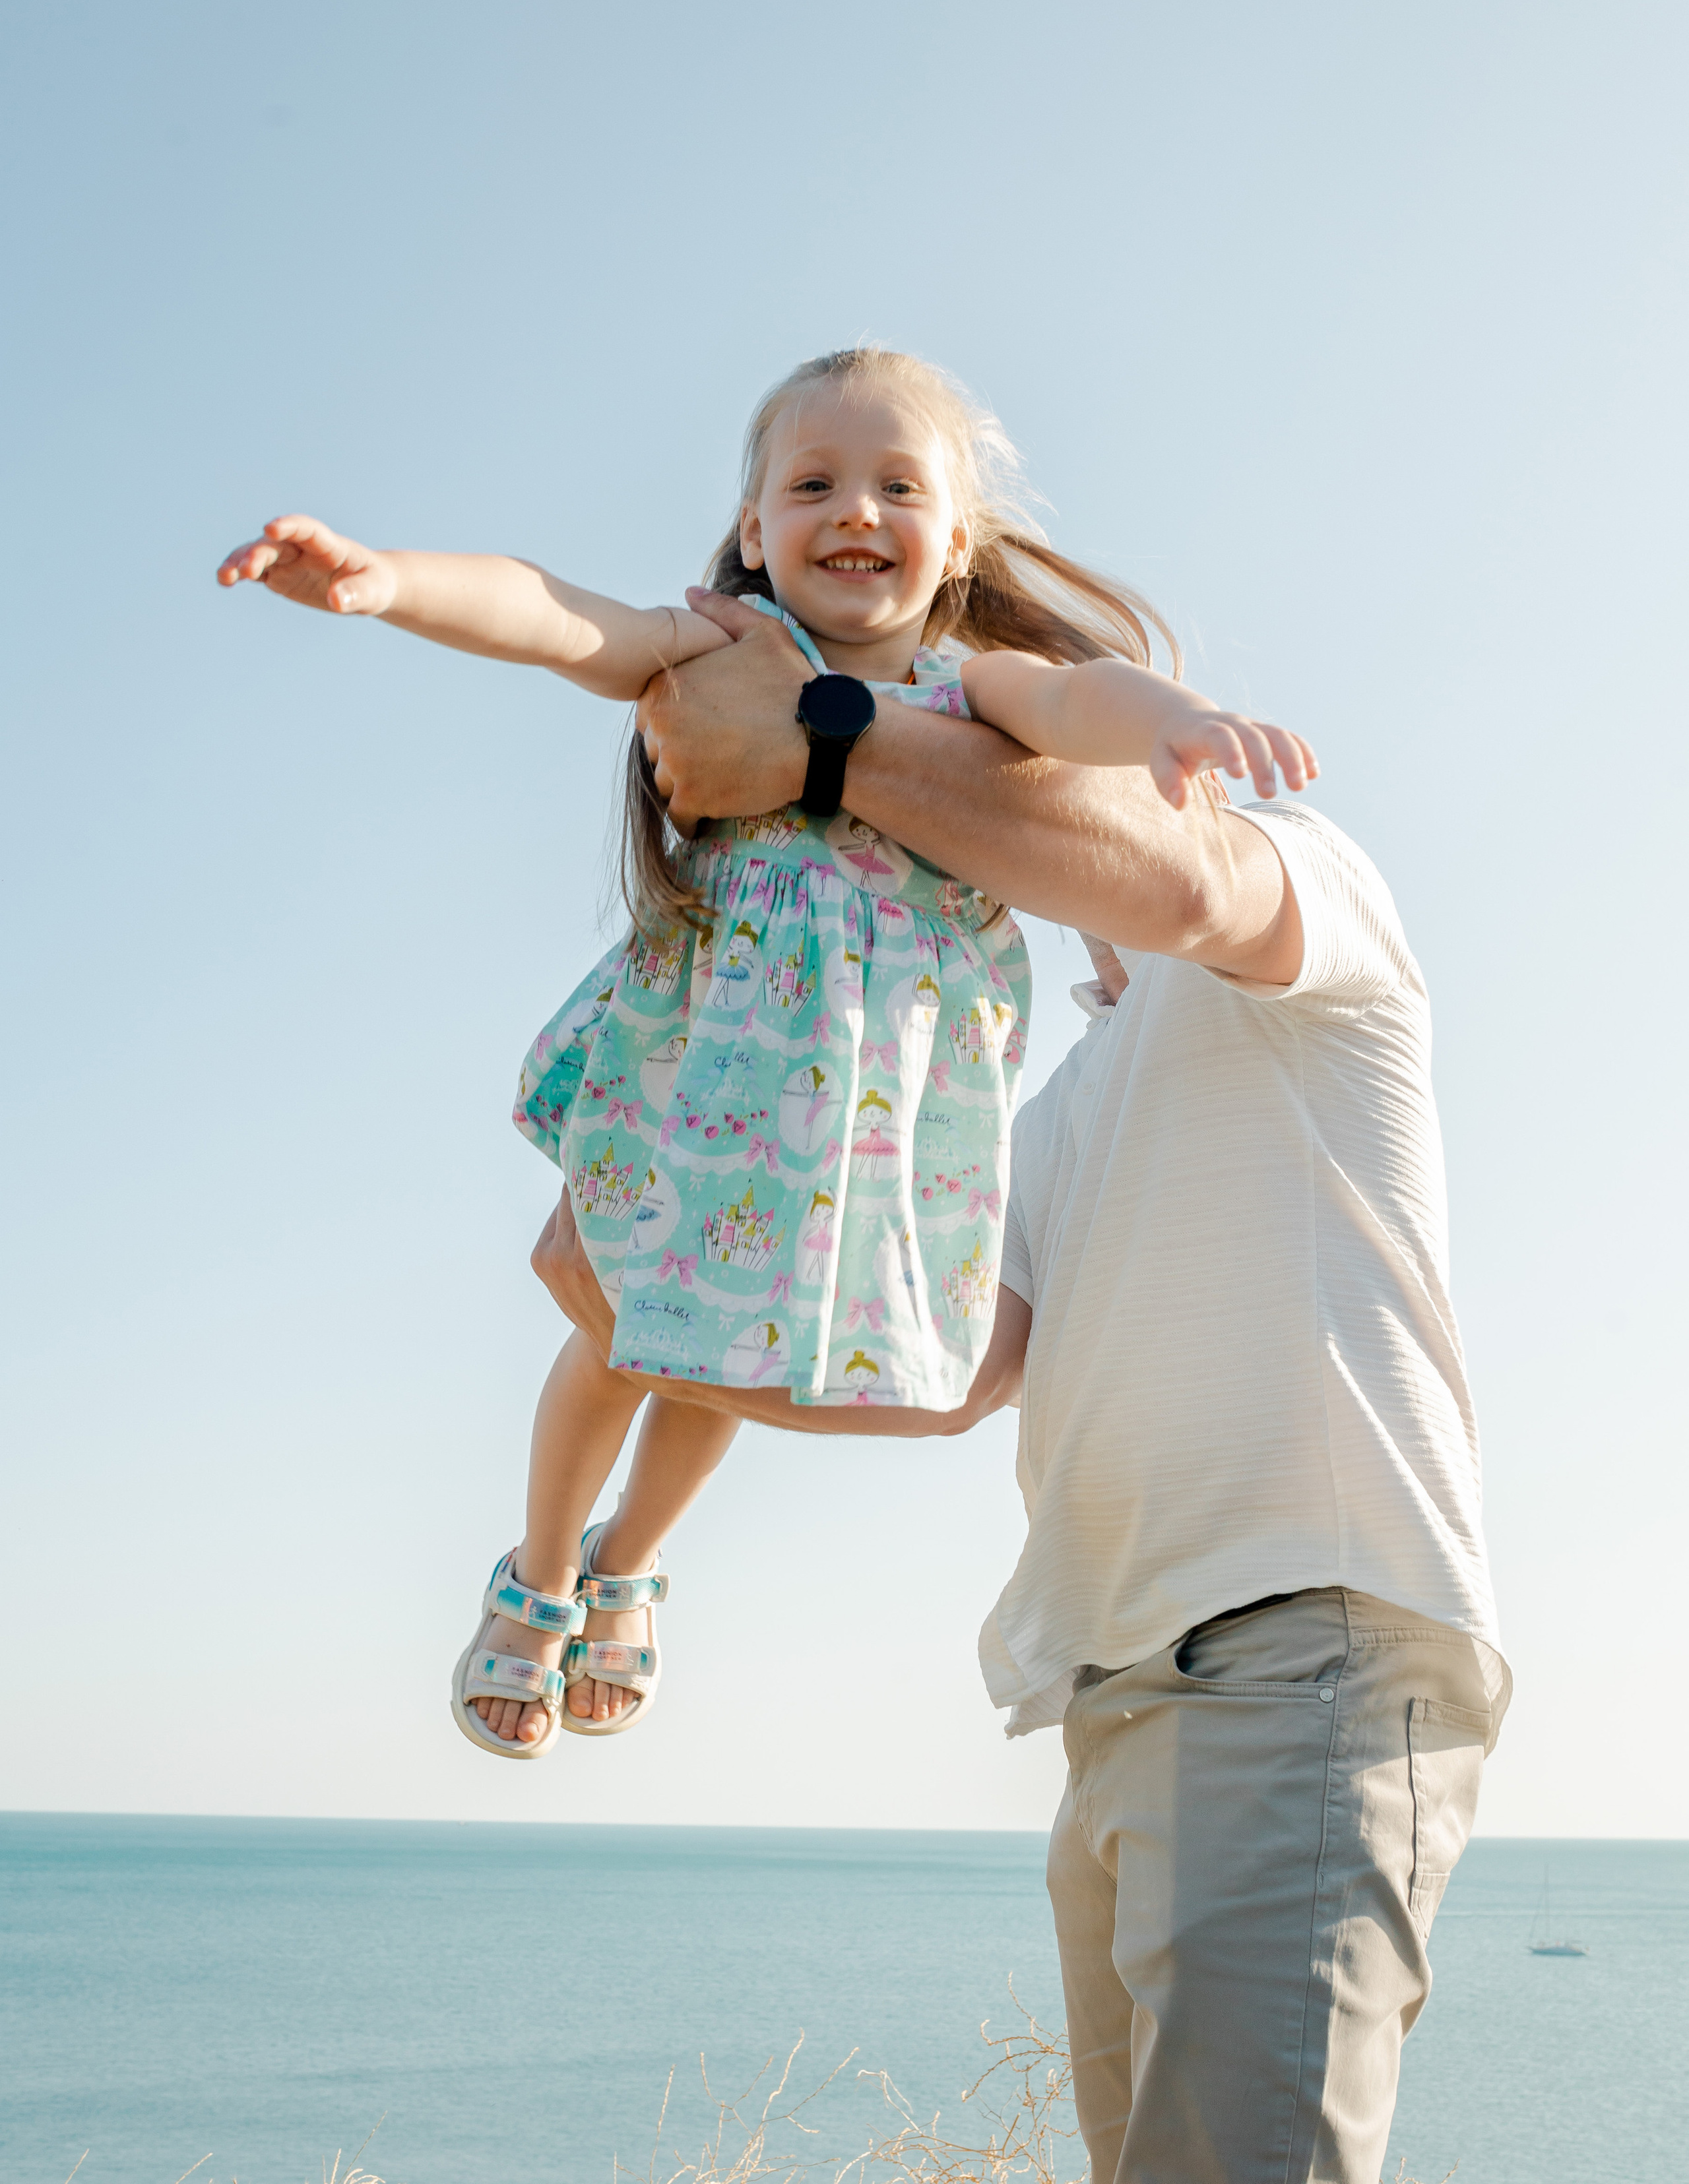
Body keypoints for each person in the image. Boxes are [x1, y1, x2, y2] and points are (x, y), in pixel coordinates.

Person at [216, 346, 1313, 1759]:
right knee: (615, 1333)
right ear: (753, 531)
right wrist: (392, 582)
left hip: (861, 1109)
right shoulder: (727, 652)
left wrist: (1180, 726)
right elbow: (557, 615)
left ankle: (627, 1563)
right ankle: (539, 1574)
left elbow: (1080, 699)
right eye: (812, 485)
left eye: (898, 486)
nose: (855, 509)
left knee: (729, 1348)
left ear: (956, 542)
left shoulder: (967, 690)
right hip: (703, 1074)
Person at [532, 600, 1506, 2184]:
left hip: (1302, 1659)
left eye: (984, 752)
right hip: (1115, 1701)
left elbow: (1188, 884)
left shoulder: (1302, 886)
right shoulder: (1047, 1110)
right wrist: (653, 1318)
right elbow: (945, 1381)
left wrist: (827, 740)